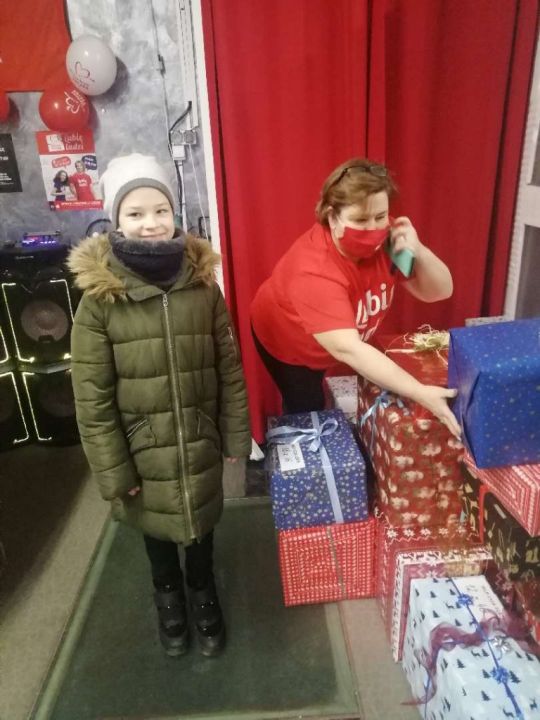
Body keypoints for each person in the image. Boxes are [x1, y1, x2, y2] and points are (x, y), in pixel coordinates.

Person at [68, 153, 251, 658]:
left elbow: (229, 367)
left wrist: (236, 434)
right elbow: (92, 399)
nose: (150, 223)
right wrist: (113, 470)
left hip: (198, 435)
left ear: (174, 212)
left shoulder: (202, 287)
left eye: (160, 210)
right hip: (141, 448)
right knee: (154, 526)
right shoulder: (99, 301)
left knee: (202, 521)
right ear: (115, 220)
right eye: (135, 213)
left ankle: (202, 588)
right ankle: (167, 593)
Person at [250, 157, 461, 439]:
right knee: (308, 408)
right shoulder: (313, 271)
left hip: (335, 334)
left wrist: (418, 249)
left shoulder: (388, 237)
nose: (373, 229)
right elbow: (349, 350)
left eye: (380, 216)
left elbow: (437, 291)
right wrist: (420, 392)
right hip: (289, 340)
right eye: (360, 220)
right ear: (332, 217)